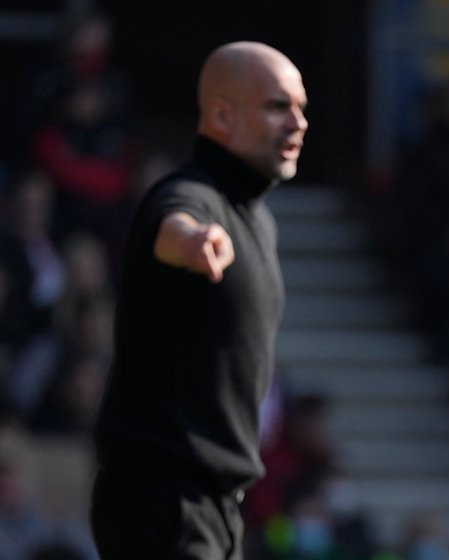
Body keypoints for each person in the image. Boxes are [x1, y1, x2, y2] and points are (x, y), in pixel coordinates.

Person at [89, 41, 308, 560]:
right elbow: (175, 220)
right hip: (163, 506)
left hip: (213, 509)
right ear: (222, 114)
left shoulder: (258, 218)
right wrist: (192, 242)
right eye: (278, 106)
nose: (298, 123)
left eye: (301, 108)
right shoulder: (191, 194)